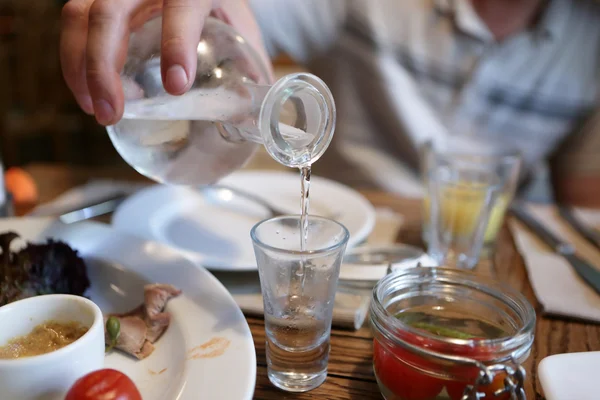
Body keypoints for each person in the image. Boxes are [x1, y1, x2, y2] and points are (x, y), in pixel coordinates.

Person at [60, 0, 600, 201]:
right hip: (353, 230)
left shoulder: (592, 43)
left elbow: (585, 207)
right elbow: (236, 12)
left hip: (493, 255)